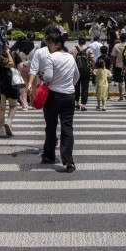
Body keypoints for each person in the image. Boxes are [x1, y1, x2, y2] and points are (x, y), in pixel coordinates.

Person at [40, 30, 78, 172]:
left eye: (51, 43)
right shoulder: (70, 57)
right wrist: (69, 86)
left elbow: (48, 77)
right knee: (67, 127)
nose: (49, 46)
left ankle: (49, 155)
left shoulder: (51, 57)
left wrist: (43, 76)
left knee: (51, 126)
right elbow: (76, 76)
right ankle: (69, 161)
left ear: (58, 44)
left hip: (53, 95)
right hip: (69, 96)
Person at [72, 36, 93, 111]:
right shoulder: (88, 49)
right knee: (84, 88)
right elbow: (93, 60)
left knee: (76, 87)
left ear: (78, 42)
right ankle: (83, 105)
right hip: (85, 71)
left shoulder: (74, 49)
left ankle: (76, 103)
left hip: (76, 71)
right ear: (85, 42)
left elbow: (71, 60)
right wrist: (92, 67)